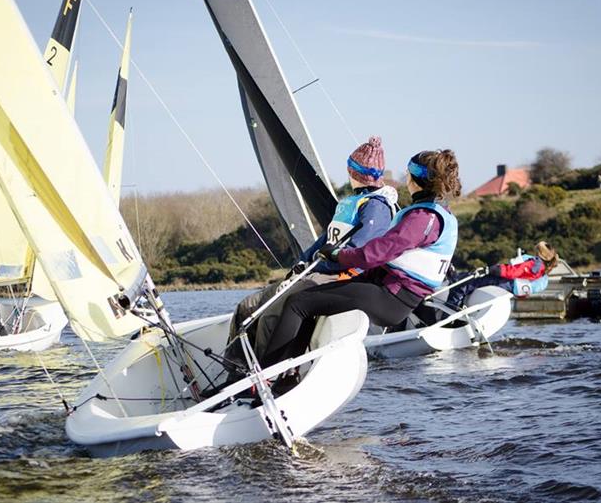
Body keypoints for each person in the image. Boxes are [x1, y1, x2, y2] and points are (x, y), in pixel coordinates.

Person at [258, 148, 461, 372]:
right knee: (307, 302)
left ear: (416, 180)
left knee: (297, 304)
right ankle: (288, 372)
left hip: (391, 298)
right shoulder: (438, 213)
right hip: (388, 290)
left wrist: (337, 254)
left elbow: (376, 253)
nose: (405, 179)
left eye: (407, 175)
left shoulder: (424, 218)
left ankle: (265, 374)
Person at [222, 136, 397, 375]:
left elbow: (361, 248)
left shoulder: (378, 206)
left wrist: (324, 266)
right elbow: (324, 241)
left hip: (337, 276)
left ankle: (264, 376)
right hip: (314, 270)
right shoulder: (349, 202)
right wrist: (303, 261)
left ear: (353, 172)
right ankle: (234, 371)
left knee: (271, 315)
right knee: (246, 307)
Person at [445, 241, 558, 310]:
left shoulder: (534, 264)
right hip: (509, 286)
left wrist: (492, 270)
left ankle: (451, 308)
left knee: (469, 283)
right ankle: (455, 277)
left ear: (540, 252)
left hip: (505, 282)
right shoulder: (543, 272)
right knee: (474, 276)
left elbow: (513, 272)